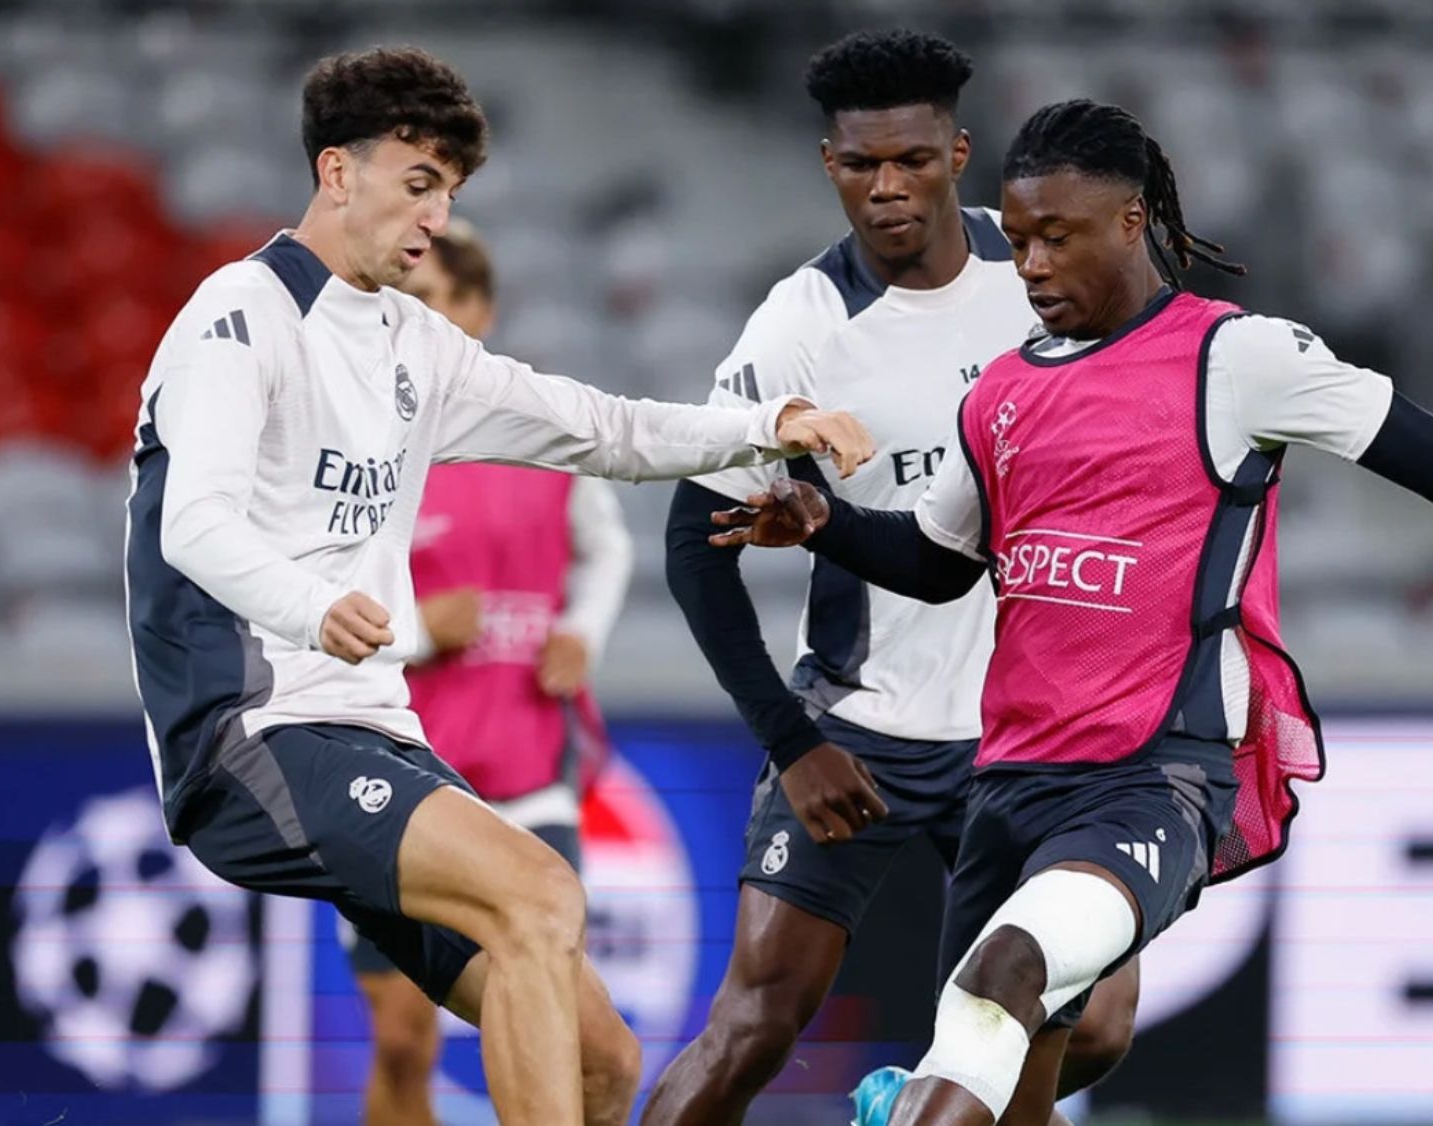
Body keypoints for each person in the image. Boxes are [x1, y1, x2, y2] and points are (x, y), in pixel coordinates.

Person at [710, 98, 1433, 1126]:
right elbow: (931, 562)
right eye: (1017, 243)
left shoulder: (1239, 360)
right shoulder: (1002, 392)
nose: (1035, 266)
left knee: (1001, 973)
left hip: (1150, 780)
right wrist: (822, 522)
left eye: (1058, 237)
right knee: (995, 1069)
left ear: (1133, 220)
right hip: (1004, 784)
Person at [123, 46, 871, 1126]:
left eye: (451, 194)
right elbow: (194, 522)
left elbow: (597, 426)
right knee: (540, 894)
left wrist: (764, 426)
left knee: (602, 1060)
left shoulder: (411, 344)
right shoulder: (236, 315)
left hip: (372, 730)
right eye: (417, 183)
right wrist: (309, 605)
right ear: (337, 173)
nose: (435, 218)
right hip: (250, 730)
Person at [642, 32, 1135, 1126]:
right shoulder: (801, 327)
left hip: (1035, 735)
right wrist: (792, 739)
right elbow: (693, 541)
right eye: (861, 165)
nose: (887, 187)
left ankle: (907, 1104)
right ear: (829, 164)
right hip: (863, 726)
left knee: (1089, 1026)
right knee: (754, 1025)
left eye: (911, 159)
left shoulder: (1043, 277)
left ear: (958, 154)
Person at [340, 218, 635, 1125]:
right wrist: (418, 632)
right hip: (403, 778)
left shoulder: (536, 430)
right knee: (402, 1040)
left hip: (528, 775)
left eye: (435, 302)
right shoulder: (365, 449)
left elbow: (607, 547)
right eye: (406, 303)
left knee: (569, 1034)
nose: (417, 320)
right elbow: (315, 598)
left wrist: (581, 631)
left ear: (479, 310)